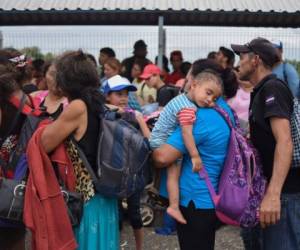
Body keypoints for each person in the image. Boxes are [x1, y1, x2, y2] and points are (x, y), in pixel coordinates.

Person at [152, 58, 235, 250]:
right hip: (212, 194)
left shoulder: (200, 115)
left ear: (197, 79)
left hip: (194, 199)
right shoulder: (225, 109)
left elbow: (162, 157)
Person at [40, 50, 119, 250]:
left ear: (68, 79)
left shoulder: (77, 107)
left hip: (86, 200)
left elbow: (44, 143)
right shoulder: (97, 102)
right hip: (104, 198)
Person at [231, 37, 299, 250]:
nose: (237, 63)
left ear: (255, 60)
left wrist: (273, 195)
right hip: (277, 192)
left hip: (286, 194)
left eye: (241, 56)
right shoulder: (262, 90)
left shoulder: (272, 88)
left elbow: (285, 141)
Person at [150, 71, 223, 224]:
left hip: (157, 138)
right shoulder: (187, 108)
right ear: (194, 85)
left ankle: (171, 205)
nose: (210, 100)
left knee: (171, 175)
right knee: (173, 176)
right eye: (208, 93)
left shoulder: (181, 99)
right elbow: (187, 134)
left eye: (215, 98)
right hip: (162, 143)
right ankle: (174, 207)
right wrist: (195, 156)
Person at [103, 75, 150, 250]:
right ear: (107, 95)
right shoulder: (105, 115)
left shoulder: (134, 116)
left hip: (132, 172)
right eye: (118, 93)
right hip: (112, 172)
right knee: (116, 215)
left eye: (126, 94)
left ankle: (139, 247)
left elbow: (149, 141)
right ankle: (116, 244)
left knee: (135, 214)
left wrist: (139, 119)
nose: (123, 98)